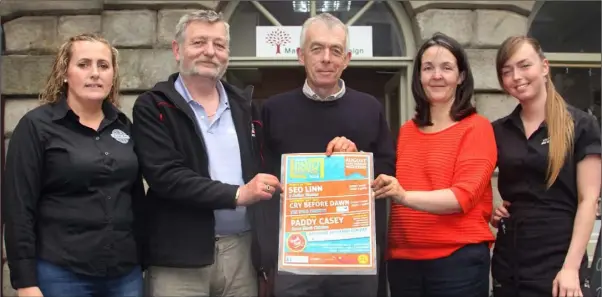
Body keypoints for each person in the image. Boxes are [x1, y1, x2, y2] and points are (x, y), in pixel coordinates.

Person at [130, 10, 281, 297]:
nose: (210, 52)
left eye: (219, 45)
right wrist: (238, 194)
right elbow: (166, 176)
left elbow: (271, 160)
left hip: (242, 250)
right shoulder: (153, 106)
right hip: (179, 255)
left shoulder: (245, 106)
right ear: (177, 49)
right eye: (199, 42)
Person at [259, 12, 396, 297]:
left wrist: (357, 159)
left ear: (346, 59)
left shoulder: (370, 108)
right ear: (300, 55)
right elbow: (262, 177)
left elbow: (387, 170)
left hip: (353, 259)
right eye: (317, 48)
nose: (326, 58)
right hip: (294, 257)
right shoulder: (273, 109)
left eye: (336, 50)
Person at [2, 33, 144, 297]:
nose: (95, 73)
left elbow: (135, 198)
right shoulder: (36, 126)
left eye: (103, 65)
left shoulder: (123, 126)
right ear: (64, 73)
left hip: (125, 275)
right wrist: (25, 282)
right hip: (61, 273)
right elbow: (18, 208)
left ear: (113, 75)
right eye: (84, 64)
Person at [371, 32, 497, 297]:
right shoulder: (407, 130)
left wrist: (403, 196)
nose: (436, 76)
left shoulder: (477, 127)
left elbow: (461, 197)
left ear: (461, 76)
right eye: (428, 68)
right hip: (403, 260)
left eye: (446, 68)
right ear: (419, 76)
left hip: (457, 262)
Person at [490, 36, 601, 297]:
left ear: (544, 66)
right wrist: (491, 211)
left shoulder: (581, 125)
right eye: (507, 71)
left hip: (559, 262)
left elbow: (589, 199)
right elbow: (475, 181)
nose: (516, 76)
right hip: (509, 261)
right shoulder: (497, 130)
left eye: (524, 65)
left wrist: (571, 268)